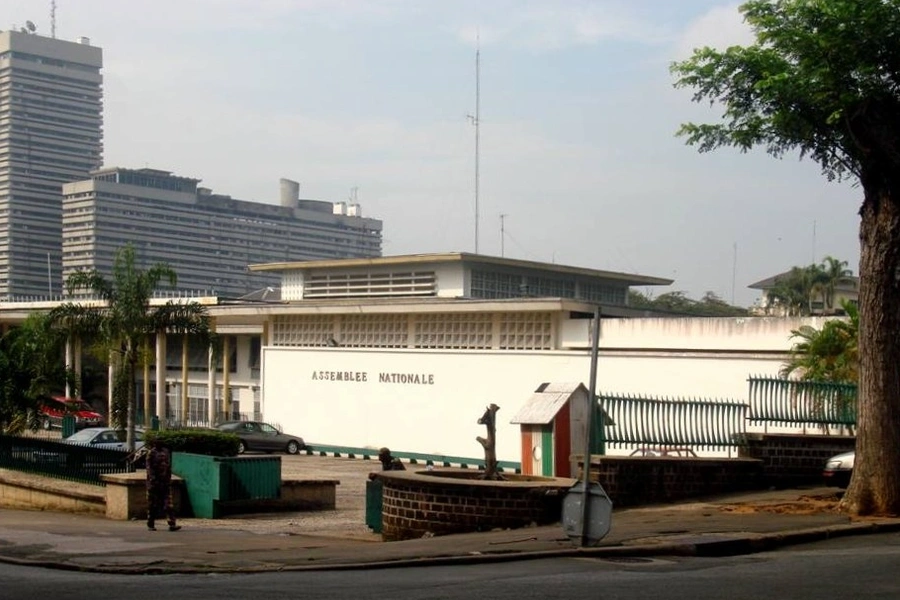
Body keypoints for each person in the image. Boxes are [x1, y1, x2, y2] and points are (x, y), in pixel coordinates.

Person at [146, 438, 180, 531]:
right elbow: (149, 468)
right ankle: (151, 523)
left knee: (168, 504)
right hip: (154, 483)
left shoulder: (166, 451)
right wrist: (153, 479)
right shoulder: (151, 453)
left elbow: (168, 466)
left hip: (165, 482)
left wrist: (168, 478)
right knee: (153, 504)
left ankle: (172, 524)